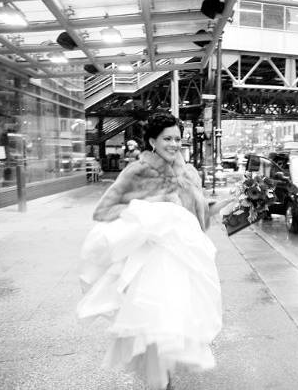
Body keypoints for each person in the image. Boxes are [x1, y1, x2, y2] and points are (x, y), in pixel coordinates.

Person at [76, 112, 223, 390]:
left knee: (175, 332)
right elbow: (104, 211)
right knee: (155, 333)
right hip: (150, 267)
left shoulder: (190, 174)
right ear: (152, 141)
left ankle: (164, 382)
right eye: (167, 138)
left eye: (178, 138)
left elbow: (198, 222)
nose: (174, 144)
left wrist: (225, 206)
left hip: (184, 265)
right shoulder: (137, 171)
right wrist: (153, 211)